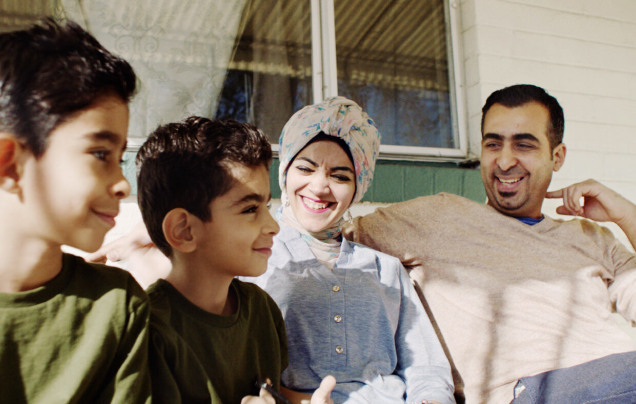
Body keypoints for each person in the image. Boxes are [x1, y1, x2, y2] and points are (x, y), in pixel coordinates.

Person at [343, 84, 636, 404]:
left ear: (557, 157)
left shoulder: (592, 238)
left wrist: (626, 215)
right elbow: (323, 235)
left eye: (524, 145)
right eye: (493, 144)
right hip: (530, 389)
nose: (505, 160)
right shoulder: (437, 217)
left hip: (618, 376)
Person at [245, 97, 455, 404]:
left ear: (358, 187)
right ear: (285, 172)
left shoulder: (386, 268)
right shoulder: (255, 257)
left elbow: (426, 366)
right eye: (305, 168)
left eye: (340, 176)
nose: (319, 187)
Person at [0, 19, 151, 403]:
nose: (123, 184)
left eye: (120, 158)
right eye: (100, 154)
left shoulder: (117, 306)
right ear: (8, 163)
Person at [134, 116, 335, 403]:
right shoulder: (147, 334)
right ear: (184, 231)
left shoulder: (260, 308)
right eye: (250, 209)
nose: (273, 226)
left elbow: (271, 391)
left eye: (266, 206)